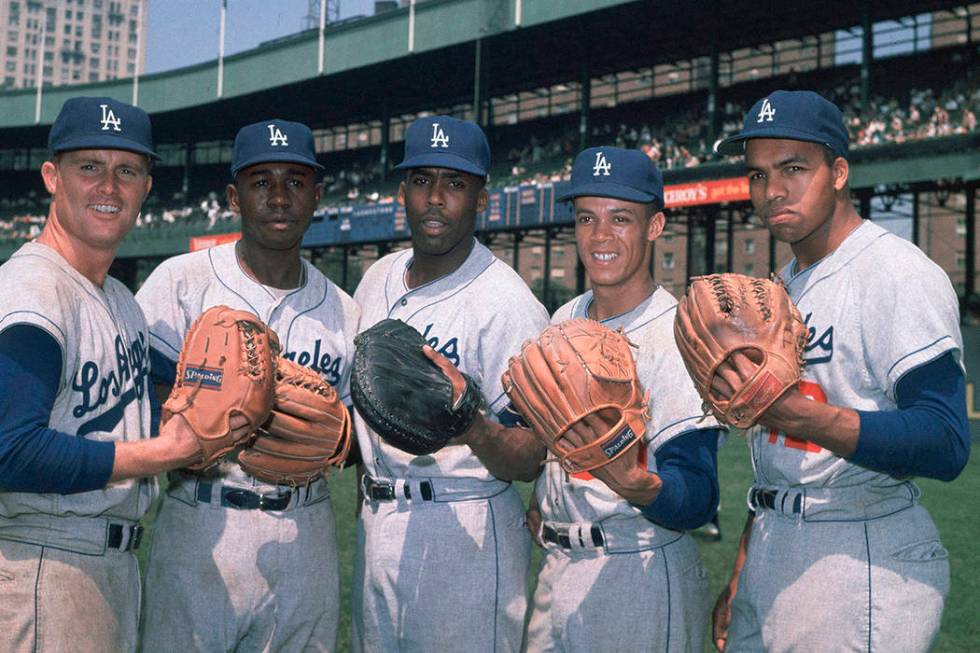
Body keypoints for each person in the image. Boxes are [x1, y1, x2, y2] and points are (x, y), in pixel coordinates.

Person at [711, 90, 971, 652]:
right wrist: (742, 573)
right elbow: (777, 466)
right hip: (775, 544)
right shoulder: (779, 288)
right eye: (757, 175)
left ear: (839, 172)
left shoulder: (895, 272)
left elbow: (946, 440)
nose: (772, 190)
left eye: (793, 168)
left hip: (860, 548)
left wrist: (801, 416)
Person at [137, 119, 360, 652]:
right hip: (200, 524)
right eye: (262, 182)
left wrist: (333, 443)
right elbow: (138, 397)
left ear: (317, 196)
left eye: (295, 182)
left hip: (303, 532)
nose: (279, 197)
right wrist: (189, 432)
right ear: (235, 197)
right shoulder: (180, 281)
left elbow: (351, 446)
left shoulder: (343, 311)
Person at [0, 96, 209, 652]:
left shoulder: (121, 301)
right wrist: (163, 454)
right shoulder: (31, 289)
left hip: (107, 566)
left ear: (146, 187)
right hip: (44, 561)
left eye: (127, 171)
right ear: (51, 176)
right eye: (88, 166)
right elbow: (10, 451)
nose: (108, 187)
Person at [350, 115, 549, 653]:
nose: (435, 198)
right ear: (401, 193)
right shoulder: (377, 278)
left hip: (466, 527)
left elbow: (531, 457)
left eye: (455, 184)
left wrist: (474, 428)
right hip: (378, 522)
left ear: (482, 199)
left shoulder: (508, 303)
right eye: (421, 180)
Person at [521, 147, 724, 652]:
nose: (600, 236)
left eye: (621, 218)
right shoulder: (564, 317)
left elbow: (699, 495)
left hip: (640, 570)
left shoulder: (678, 334)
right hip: (558, 569)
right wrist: (545, 493)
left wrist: (636, 484)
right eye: (587, 217)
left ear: (655, 227)